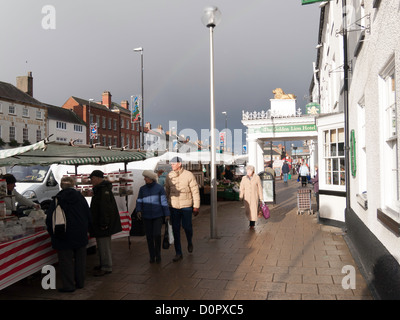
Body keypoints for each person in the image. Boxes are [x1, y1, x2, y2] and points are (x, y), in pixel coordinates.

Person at [45, 176, 92, 292]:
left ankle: (69, 285)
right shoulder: (81, 198)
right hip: (80, 233)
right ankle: (80, 283)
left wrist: (52, 234)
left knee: (66, 262)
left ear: (61, 185)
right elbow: (88, 215)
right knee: (80, 261)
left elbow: (50, 220)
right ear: (73, 185)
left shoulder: (57, 199)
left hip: (63, 235)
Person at [165, 157, 200, 262]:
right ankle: (178, 252)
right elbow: (166, 191)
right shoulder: (169, 176)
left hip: (186, 206)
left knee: (187, 227)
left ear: (179, 164)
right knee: (175, 229)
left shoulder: (189, 175)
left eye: (173, 164)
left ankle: (189, 241)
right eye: (171, 164)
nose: (172, 165)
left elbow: (195, 191)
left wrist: (196, 206)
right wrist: (166, 206)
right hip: (173, 206)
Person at [89, 170, 122, 276]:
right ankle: (103, 263)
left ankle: (106, 267)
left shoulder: (103, 190)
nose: (91, 180)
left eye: (92, 178)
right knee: (102, 245)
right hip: (100, 222)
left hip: (102, 224)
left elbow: (104, 208)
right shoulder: (101, 189)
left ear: (98, 178)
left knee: (104, 245)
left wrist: (104, 223)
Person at [136, 170, 170, 263]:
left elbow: (163, 201)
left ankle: (158, 254)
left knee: (157, 235)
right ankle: (152, 255)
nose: (144, 179)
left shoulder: (159, 188)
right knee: (149, 237)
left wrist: (167, 213)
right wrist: (138, 210)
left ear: (150, 179)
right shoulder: (142, 189)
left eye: (146, 177)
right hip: (146, 216)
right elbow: (139, 200)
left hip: (157, 215)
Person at [239, 165, 263, 229]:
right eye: (247, 170)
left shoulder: (257, 177)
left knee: (253, 210)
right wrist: (241, 196)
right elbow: (241, 188)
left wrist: (261, 198)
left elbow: (259, 188)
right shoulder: (244, 178)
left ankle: (252, 224)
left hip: (254, 197)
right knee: (248, 211)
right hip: (247, 197)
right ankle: (250, 221)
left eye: (249, 170)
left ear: (252, 171)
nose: (248, 172)